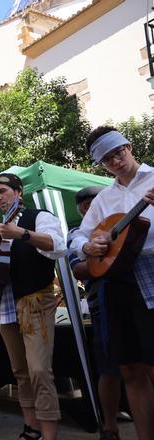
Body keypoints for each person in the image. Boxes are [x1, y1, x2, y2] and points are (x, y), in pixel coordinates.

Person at [69, 126, 154, 440]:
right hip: (119, 282)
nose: (116, 161)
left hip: (153, 269)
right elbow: (79, 235)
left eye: (118, 152)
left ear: (129, 147)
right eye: (107, 159)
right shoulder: (104, 198)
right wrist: (86, 247)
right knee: (130, 368)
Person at [0, 173, 66, 440]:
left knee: (39, 370)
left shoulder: (39, 216)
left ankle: (49, 434)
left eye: (3, 191)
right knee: (20, 370)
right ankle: (31, 427)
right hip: (6, 303)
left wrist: (22, 233)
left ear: (18, 191)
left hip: (35, 299)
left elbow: (58, 246)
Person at [67, 185, 123, 440]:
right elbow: (78, 269)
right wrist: (107, 258)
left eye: (94, 204)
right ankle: (109, 426)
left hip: (137, 295)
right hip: (102, 302)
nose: (90, 210)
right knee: (108, 365)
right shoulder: (77, 234)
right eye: (84, 208)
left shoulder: (124, 221)